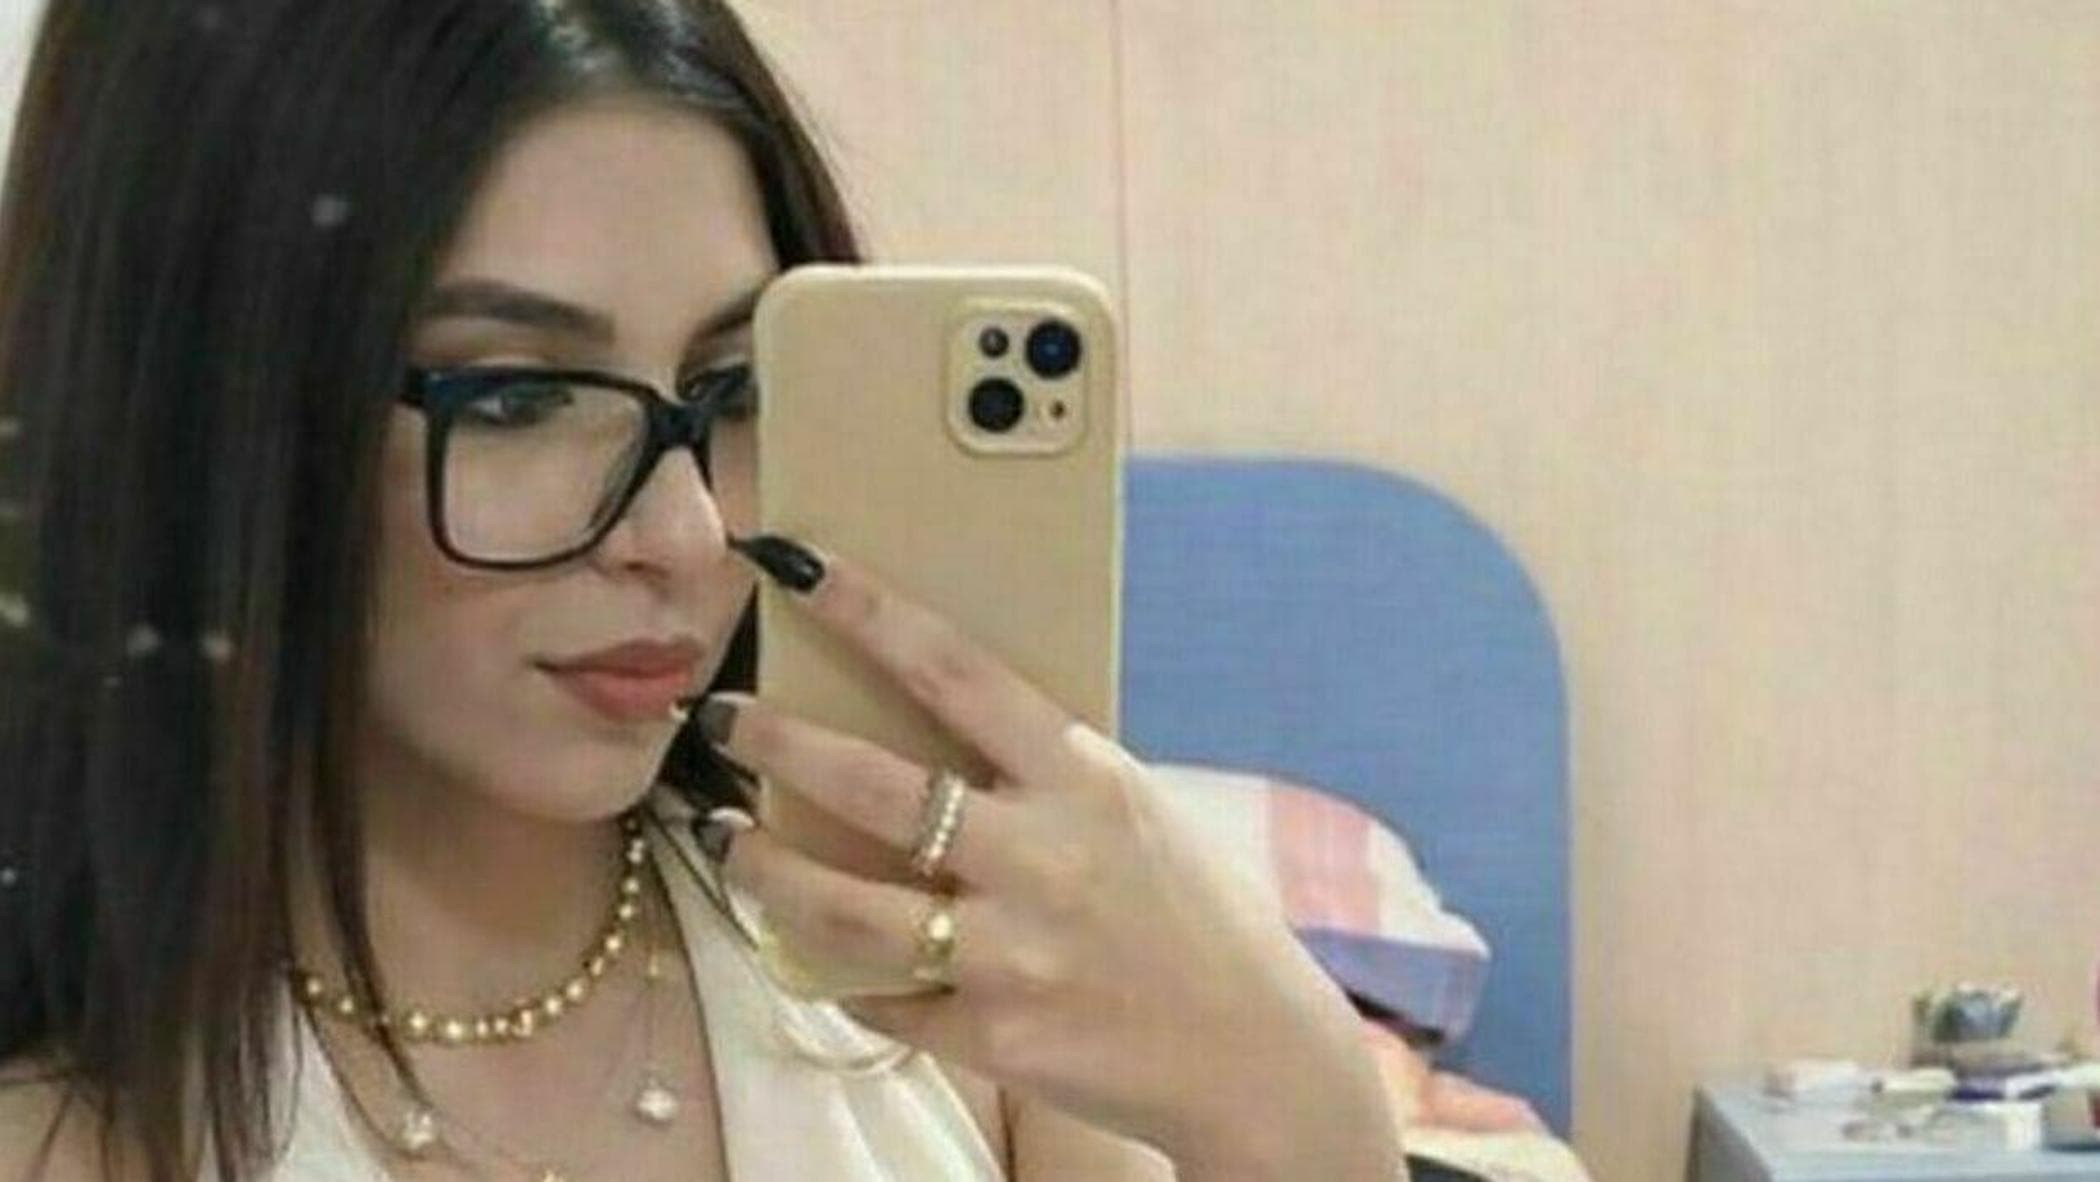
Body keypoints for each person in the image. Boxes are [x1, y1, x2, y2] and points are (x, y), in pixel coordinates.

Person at [0, 1, 1439, 1178]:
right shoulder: (69, 1126)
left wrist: (1300, 1106)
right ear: (202, 420)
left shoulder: (951, 1007)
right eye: (516, 398)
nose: (687, 536)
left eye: (735, 387)